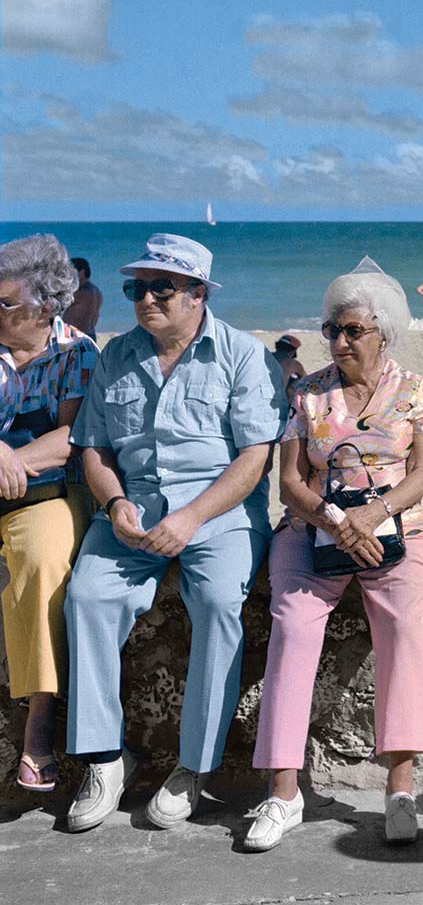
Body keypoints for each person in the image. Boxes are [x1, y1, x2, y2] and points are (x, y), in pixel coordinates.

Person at [63, 234, 286, 832]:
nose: (144, 298)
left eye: (162, 286)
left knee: (216, 603)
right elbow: (95, 447)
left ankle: (195, 765)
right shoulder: (116, 355)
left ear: (198, 293)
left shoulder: (243, 355)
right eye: (137, 287)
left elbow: (252, 461)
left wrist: (190, 519)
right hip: (132, 512)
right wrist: (112, 503)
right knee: (87, 597)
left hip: (218, 515)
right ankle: (106, 757)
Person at [243, 259, 423, 851]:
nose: (341, 340)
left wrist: (374, 515)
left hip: (400, 526)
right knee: (292, 623)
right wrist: (336, 520)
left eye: (354, 329)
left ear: (383, 332)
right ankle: (283, 792)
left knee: (401, 621)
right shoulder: (307, 392)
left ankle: (401, 786)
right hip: (313, 528)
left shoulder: (415, 391)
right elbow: (291, 483)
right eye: (333, 329)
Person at [0, 235, 99, 792]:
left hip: (44, 495)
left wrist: (10, 460)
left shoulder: (77, 353)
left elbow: (72, 438)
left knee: (40, 562)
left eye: (5, 303)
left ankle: (39, 722)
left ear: (44, 306)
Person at [61, 257, 102, 336]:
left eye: (71, 272)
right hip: (87, 333)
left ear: (82, 272)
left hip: (77, 336)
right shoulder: (96, 290)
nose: (68, 275)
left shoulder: (84, 291)